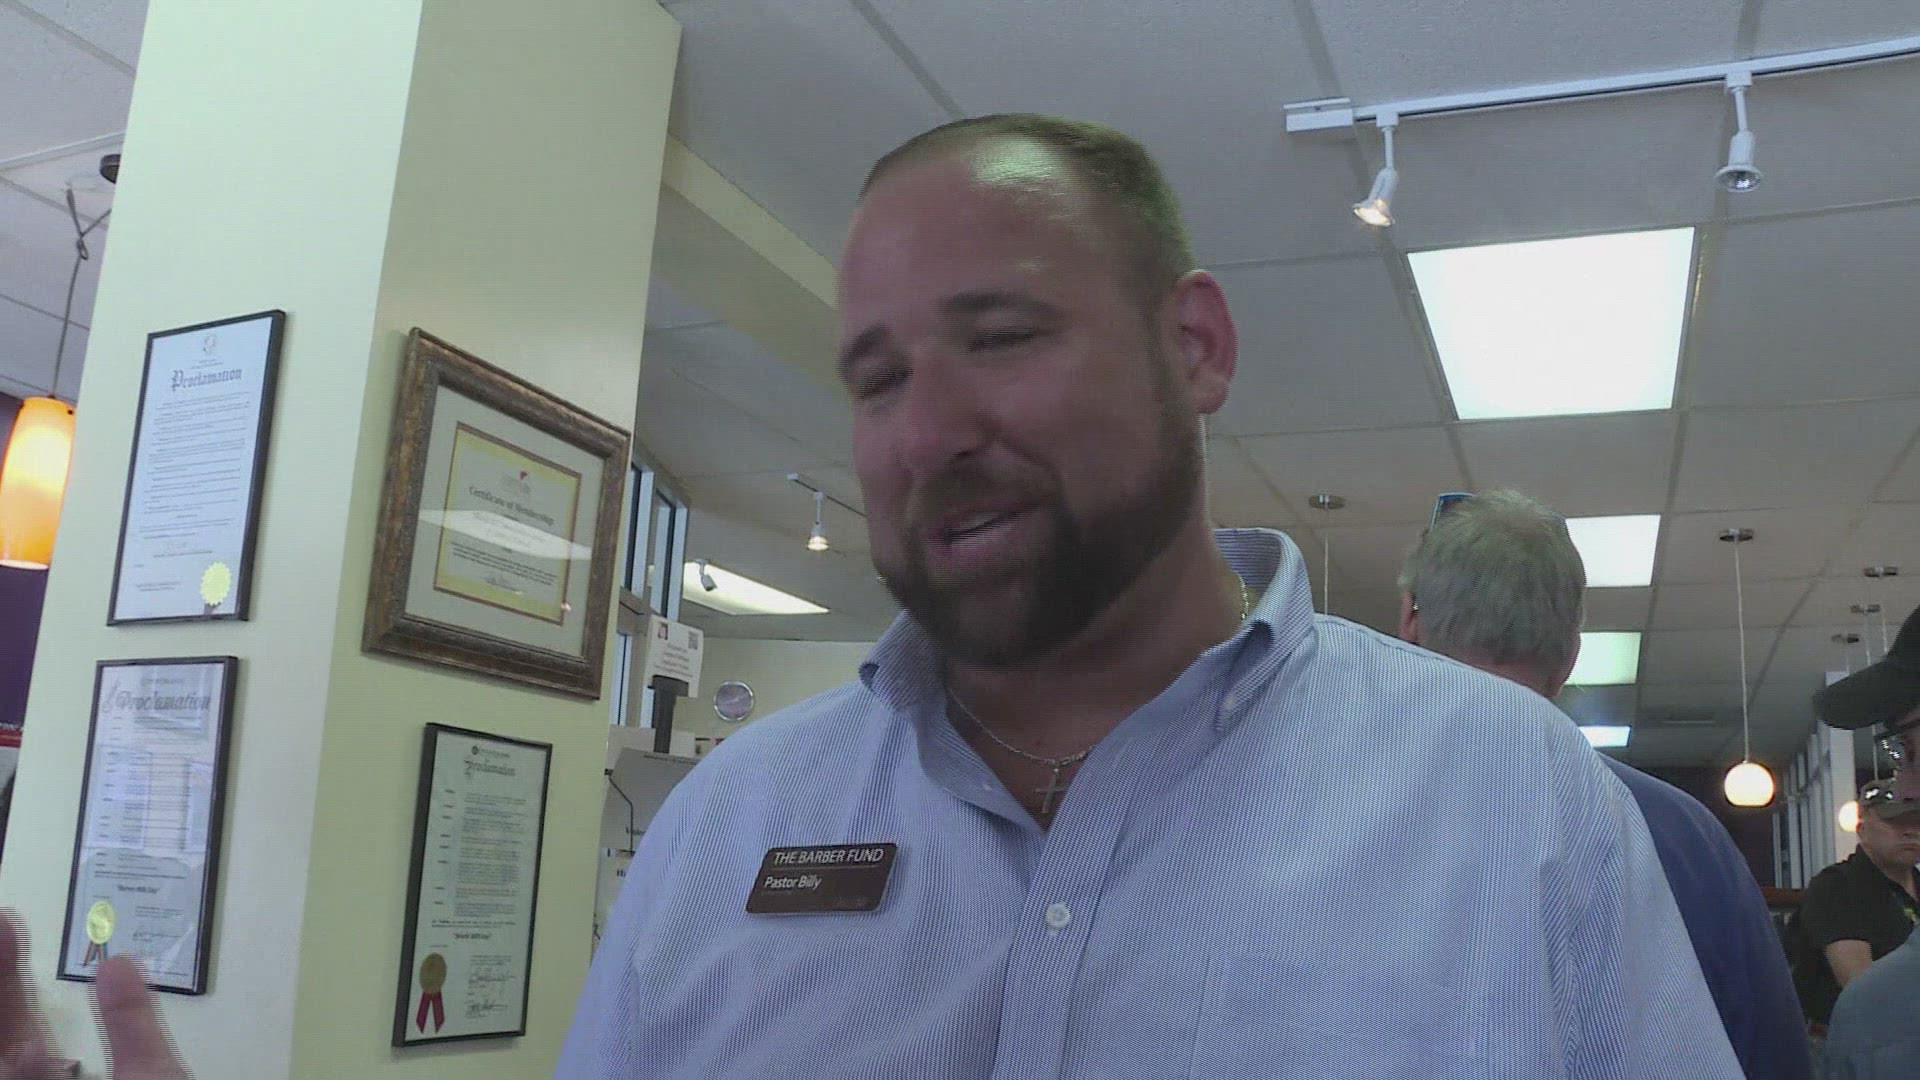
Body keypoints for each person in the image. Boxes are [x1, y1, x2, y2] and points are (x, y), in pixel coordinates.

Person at [1, 115, 1742, 1079]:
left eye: (1002, 335)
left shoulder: (1513, 804)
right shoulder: (729, 829)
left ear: (1196, 347)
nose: (931, 429)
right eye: (879, 375)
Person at [1394, 489, 1813, 1079]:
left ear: (1409, 622)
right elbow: (1768, 1053)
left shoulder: (1332, 814)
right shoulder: (1681, 834)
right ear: (1571, 653)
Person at [1809, 605, 1920, 1077]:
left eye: (1910, 749)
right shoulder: (1839, 887)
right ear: (1862, 826)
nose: (1909, 791)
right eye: (1899, 753)